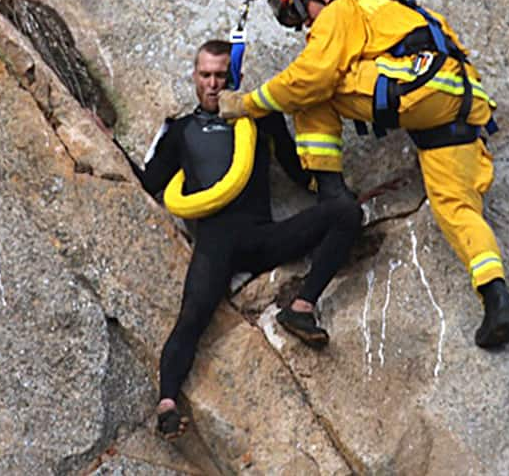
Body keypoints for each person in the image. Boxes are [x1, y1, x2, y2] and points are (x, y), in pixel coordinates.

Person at [218, 0, 509, 349]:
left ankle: (330, 194)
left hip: (418, 87)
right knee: (458, 209)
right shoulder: (389, 6)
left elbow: (312, 76)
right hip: (458, 102)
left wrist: (247, 104)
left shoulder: (342, 6)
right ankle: (496, 297)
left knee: (312, 88)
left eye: (300, 10)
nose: (305, 24)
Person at [127, 39, 362, 440]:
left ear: (231, 77)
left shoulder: (260, 120)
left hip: (262, 236)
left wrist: (338, 185)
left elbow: (294, 166)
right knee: (191, 317)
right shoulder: (182, 131)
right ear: (195, 77)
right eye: (206, 75)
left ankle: (302, 306)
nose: (214, 84)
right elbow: (149, 183)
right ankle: (167, 403)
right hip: (216, 242)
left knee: (346, 212)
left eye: (221, 75)